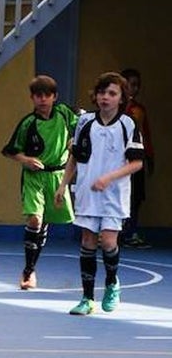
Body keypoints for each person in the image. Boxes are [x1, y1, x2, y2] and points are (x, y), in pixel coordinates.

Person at [54, 72, 144, 315]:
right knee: (87, 242)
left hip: (114, 194)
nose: (105, 97)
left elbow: (136, 163)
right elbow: (75, 156)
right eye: (102, 93)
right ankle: (86, 298)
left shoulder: (128, 124)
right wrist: (63, 185)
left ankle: (112, 283)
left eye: (112, 93)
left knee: (108, 241)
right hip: (87, 191)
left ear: (122, 98)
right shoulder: (85, 123)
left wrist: (109, 178)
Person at [1, 75, 78, 290]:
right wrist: (25, 160)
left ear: (55, 97)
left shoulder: (64, 113)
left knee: (44, 223)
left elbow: (82, 124)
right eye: (38, 96)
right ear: (32, 98)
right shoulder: (28, 123)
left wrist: (75, 140)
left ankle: (32, 265)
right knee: (35, 219)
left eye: (47, 95)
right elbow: (10, 150)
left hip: (57, 175)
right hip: (34, 177)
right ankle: (28, 271)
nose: (43, 100)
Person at [120, 68, 155, 249]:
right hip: (117, 161)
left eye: (136, 85)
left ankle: (130, 232)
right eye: (129, 85)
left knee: (135, 197)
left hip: (135, 159)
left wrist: (149, 156)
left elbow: (145, 134)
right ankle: (112, 232)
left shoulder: (139, 110)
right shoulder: (113, 107)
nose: (133, 89)